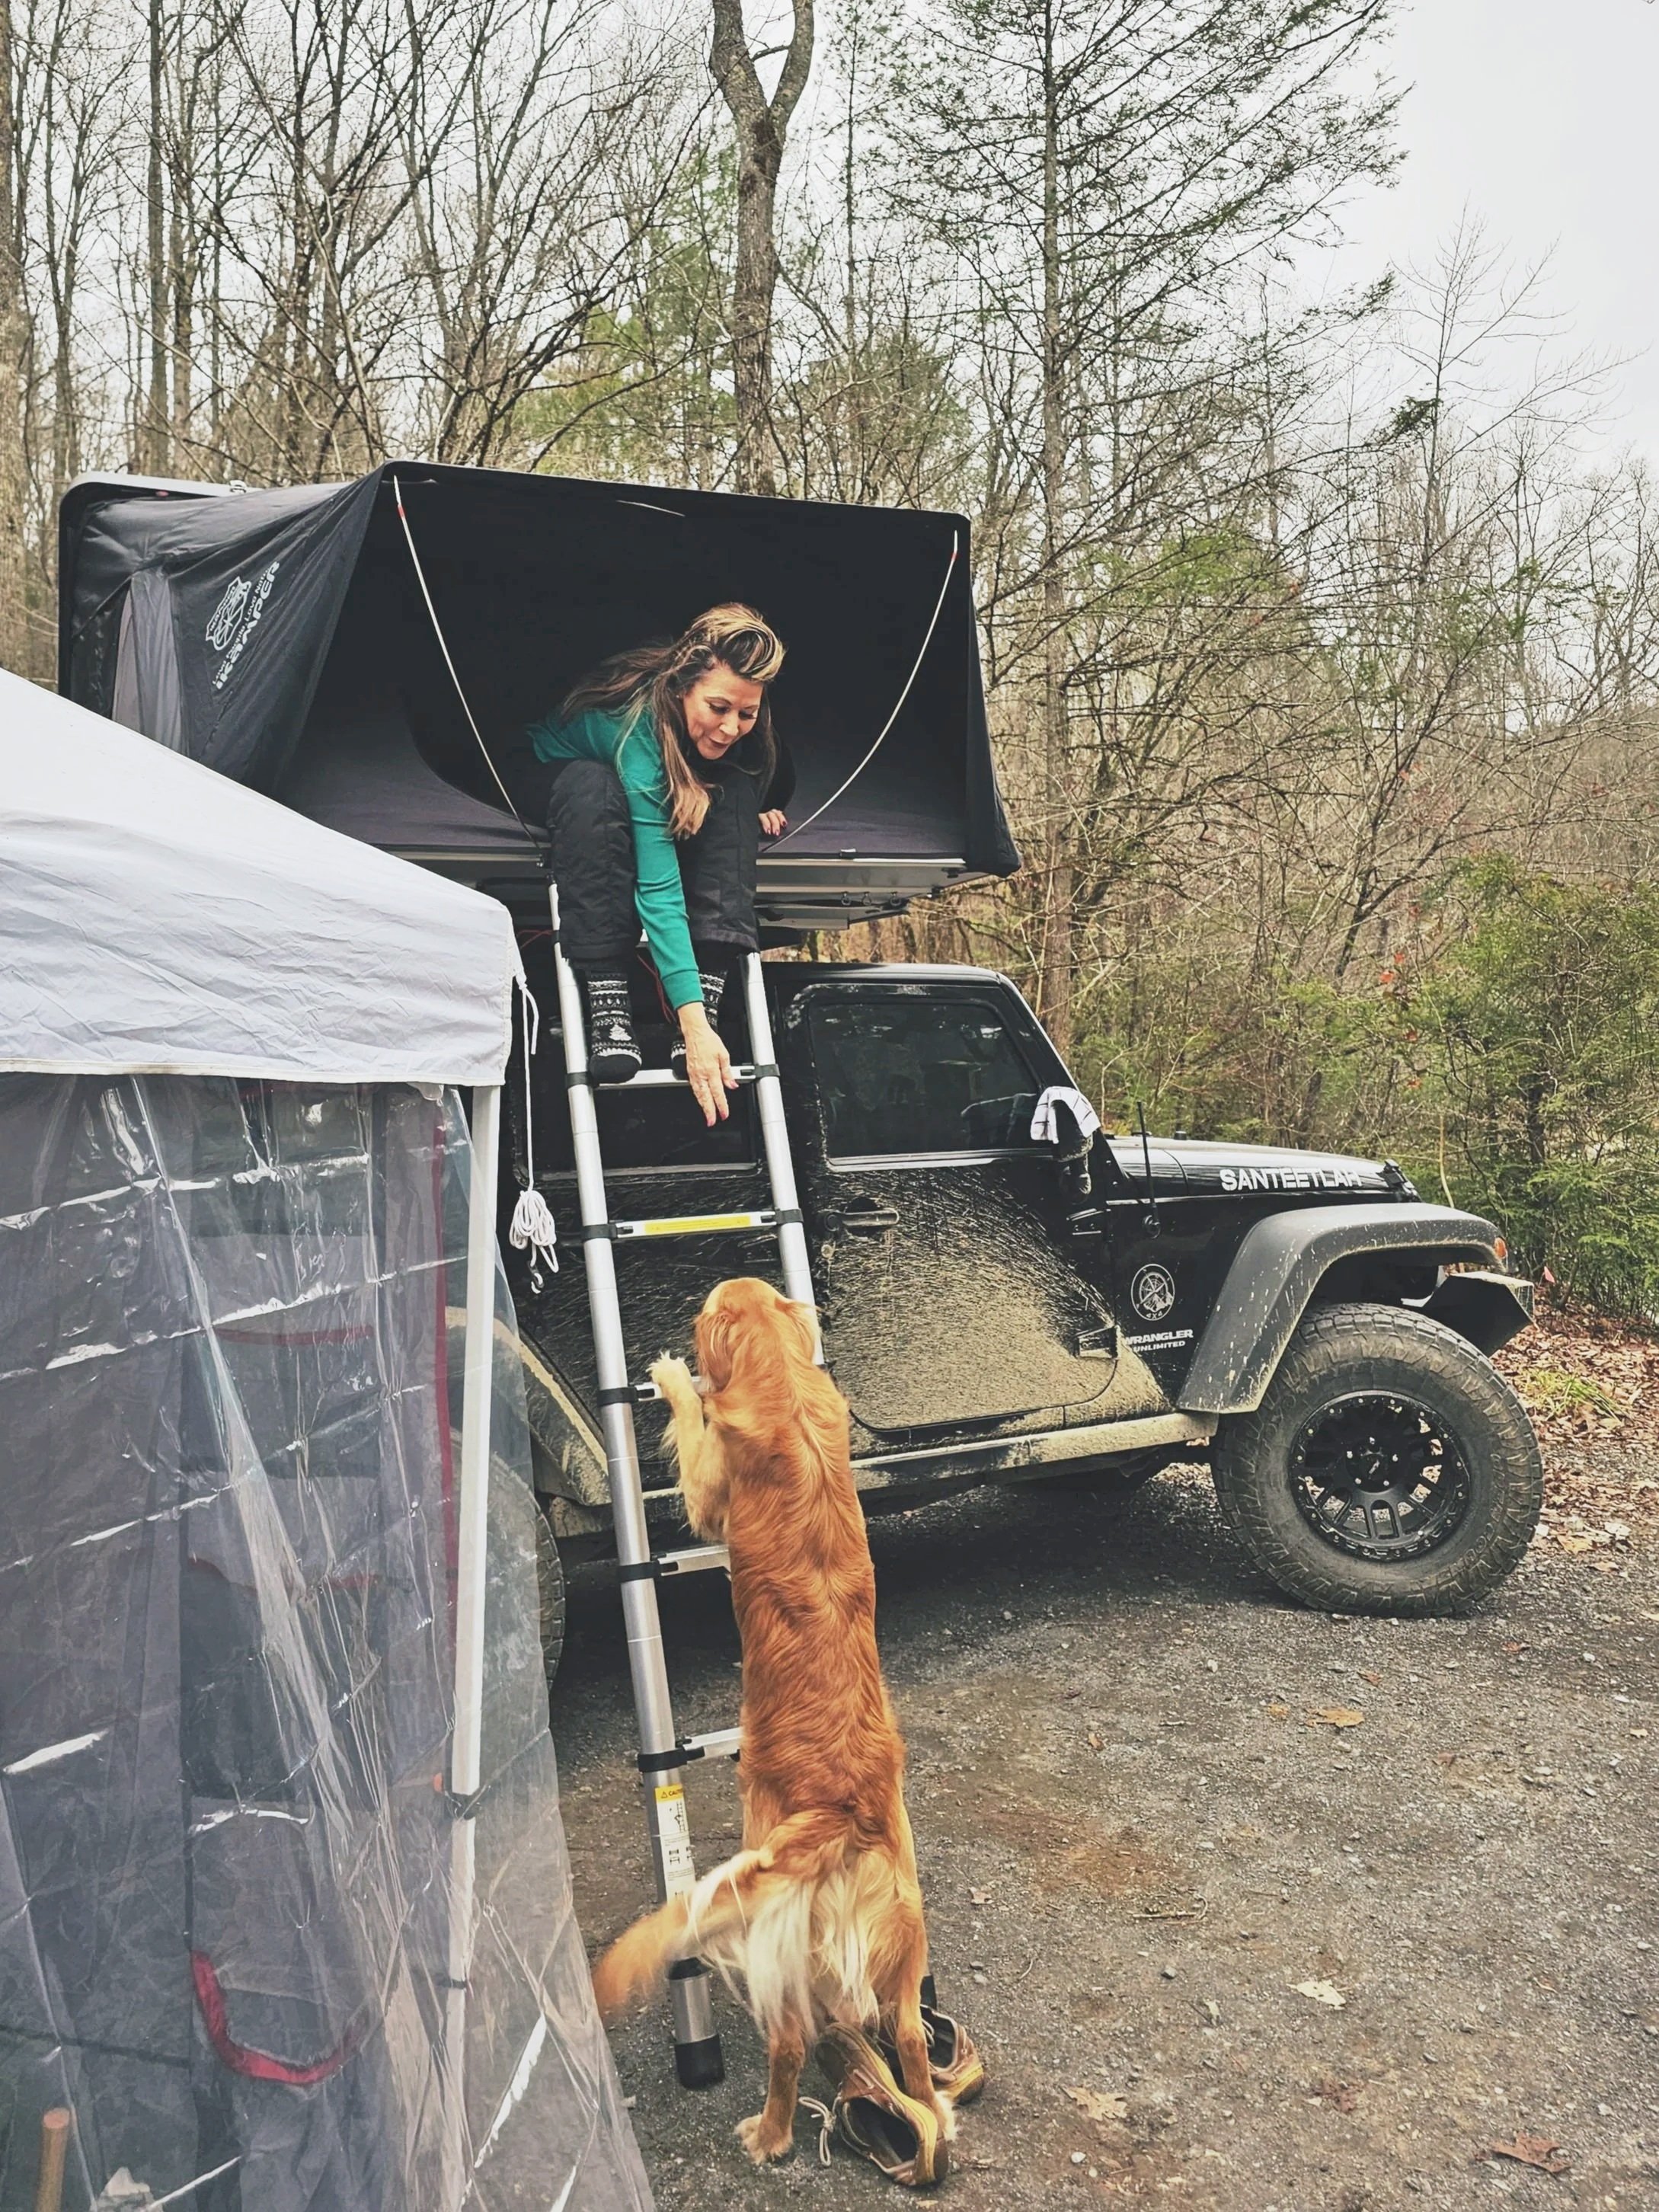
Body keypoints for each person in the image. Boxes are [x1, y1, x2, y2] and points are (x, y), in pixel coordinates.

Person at [527, 605, 794, 1125]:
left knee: (734, 792)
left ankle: (708, 993)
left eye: (746, 713)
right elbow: (658, 889)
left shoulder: (738, 730)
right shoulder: (637, 737)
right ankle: (608, 999)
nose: (730, 726)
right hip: (552, 774)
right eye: (717, 707)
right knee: (595, 790)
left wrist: (748, 814)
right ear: (680, 689)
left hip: (647, 774)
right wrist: (694, 1027)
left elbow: (739, 775)